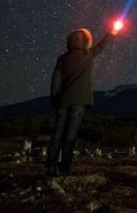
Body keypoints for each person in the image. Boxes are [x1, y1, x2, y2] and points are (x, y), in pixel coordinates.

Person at [46, 24, 120, 176]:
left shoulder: (62, 59)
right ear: (84, 41)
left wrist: (54, 97)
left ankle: (51, 166)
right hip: (80, 101)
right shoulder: (88, 55)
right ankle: (65, 168)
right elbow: (102, 45)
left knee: (57, 133)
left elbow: (55, 80)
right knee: (70, 136)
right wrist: (112, 33)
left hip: (63, 100)